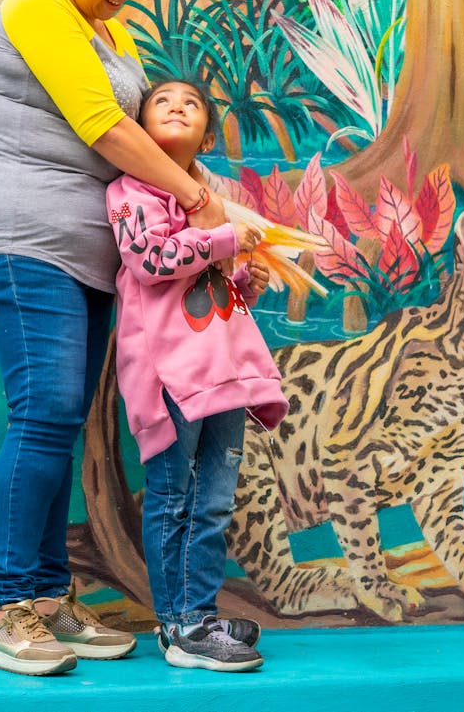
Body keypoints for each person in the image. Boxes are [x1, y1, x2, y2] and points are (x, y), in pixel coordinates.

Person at [0, 0, 229, 676]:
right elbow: (106, 127)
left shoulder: (107, 32)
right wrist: (196, 197)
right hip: (20, 239)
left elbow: (147, 131)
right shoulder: (38, 4)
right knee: (46, 412)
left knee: (62, 422)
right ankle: (5, 611)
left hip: (88, 257)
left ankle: (45, 597)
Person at [106, 79, 289, 673]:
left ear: (207, 135)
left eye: (191, 103)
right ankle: (178, 625)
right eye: (161, 101)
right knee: (172, 497)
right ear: (138, 129)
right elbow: (152, 261)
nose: (177, 105)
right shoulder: (130, 193)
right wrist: (226, 238)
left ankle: (200, 611)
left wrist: (242, 288)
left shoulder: (210, 200)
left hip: (222, 376)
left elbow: (202, 297)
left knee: (212, 502)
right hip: (173, 378)